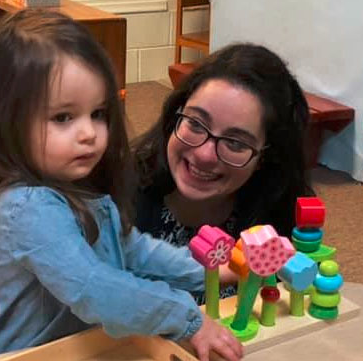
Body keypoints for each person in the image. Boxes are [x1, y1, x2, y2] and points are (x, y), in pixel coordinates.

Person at [0, 9, 243, 361]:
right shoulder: (27, 207)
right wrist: (186, 317)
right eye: (63, 117)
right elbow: (96, 290)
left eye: (97, 113)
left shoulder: (74, 184)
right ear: (9, 123)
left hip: (85, 354)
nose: (89, 133)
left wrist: (204, 271)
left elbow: (134, 250)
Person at [133, 43, 313, 302]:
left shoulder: (277, 222)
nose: (205, 155)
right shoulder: (112, 202)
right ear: (176, 116)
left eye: (236, 143)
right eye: (195, 123)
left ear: (265, 157)